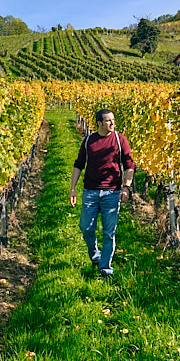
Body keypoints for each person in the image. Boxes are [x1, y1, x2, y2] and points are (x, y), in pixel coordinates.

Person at [69, 109, 135, 278]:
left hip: (112, 193)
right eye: (108, 121)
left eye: (113, 120)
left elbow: (129, 165)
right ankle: (95, 256)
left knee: (109, 232)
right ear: (99, 123)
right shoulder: (89, 141)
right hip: (90, 192)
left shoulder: (120, 140)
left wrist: (126, 187)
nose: (112, 123)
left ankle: (105, 269)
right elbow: (79, 164)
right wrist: (73, 188)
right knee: (86, 228)